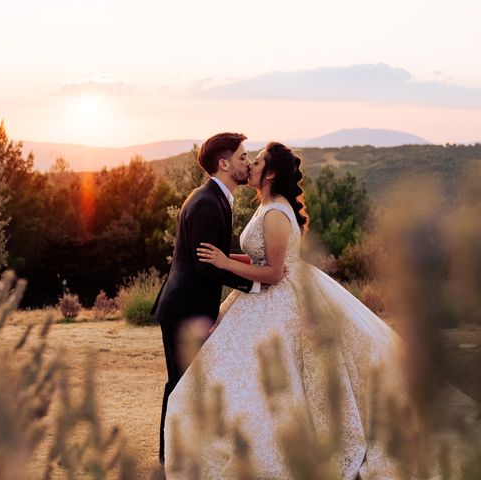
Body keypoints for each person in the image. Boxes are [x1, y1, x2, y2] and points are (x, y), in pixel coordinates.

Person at [164, 142, 406, 479]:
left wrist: (223, 263)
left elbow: (274, 272)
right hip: (260, 298)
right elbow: (260, 259)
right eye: (248, 158)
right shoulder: (267, 206)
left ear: (272, 173)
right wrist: (226, 259)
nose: (250, 164)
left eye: (258, 160)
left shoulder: (276, 211)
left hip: (278, 300)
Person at [151, 132, 262, 464]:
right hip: (185, 310)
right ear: (224, 163)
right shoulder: (205, 203)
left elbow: (219, 258)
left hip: (193, 307)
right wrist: (258, 285)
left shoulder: (216, 198)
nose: (248, 162)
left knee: (190, 383)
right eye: (243, 157)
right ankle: (169, 458)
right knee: (181, 384)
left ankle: (181, 453)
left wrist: (254, 265)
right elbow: (207, 266)